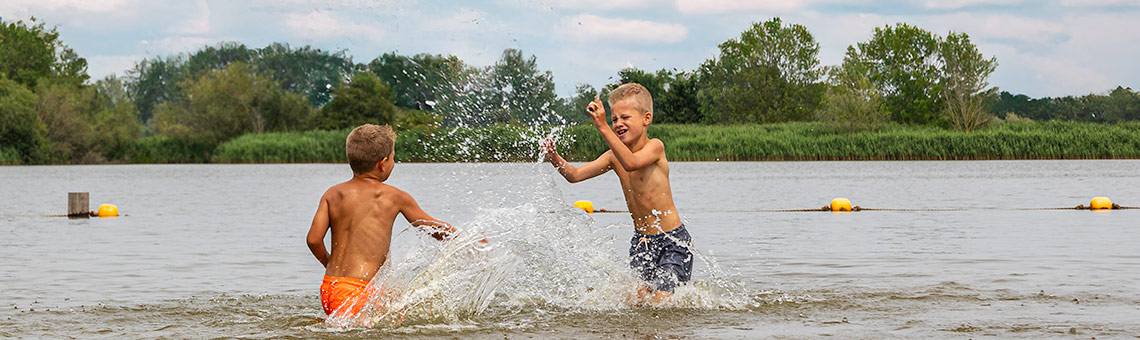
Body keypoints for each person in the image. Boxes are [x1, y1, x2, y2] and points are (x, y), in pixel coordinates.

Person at [541, 83, 693, 304]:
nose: (618, 123)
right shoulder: (613, 157)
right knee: (638, 301)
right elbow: (573, 176)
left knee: (662, 301)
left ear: (646, 119)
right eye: (614, 119)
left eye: (625, 118)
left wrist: (603, 127)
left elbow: (631, 163)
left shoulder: (654, 147)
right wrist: (554, 157)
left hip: (672, 241)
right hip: (642, 242)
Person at [306, 124, 456, 320]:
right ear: (383, 163)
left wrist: (328, 263)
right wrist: (465, 239)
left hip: (330, 287)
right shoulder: (394, 196)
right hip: (359, 292)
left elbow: (313, 240)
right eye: (393, 158)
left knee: (395, 303)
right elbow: (430, 227)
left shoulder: (333, 193)